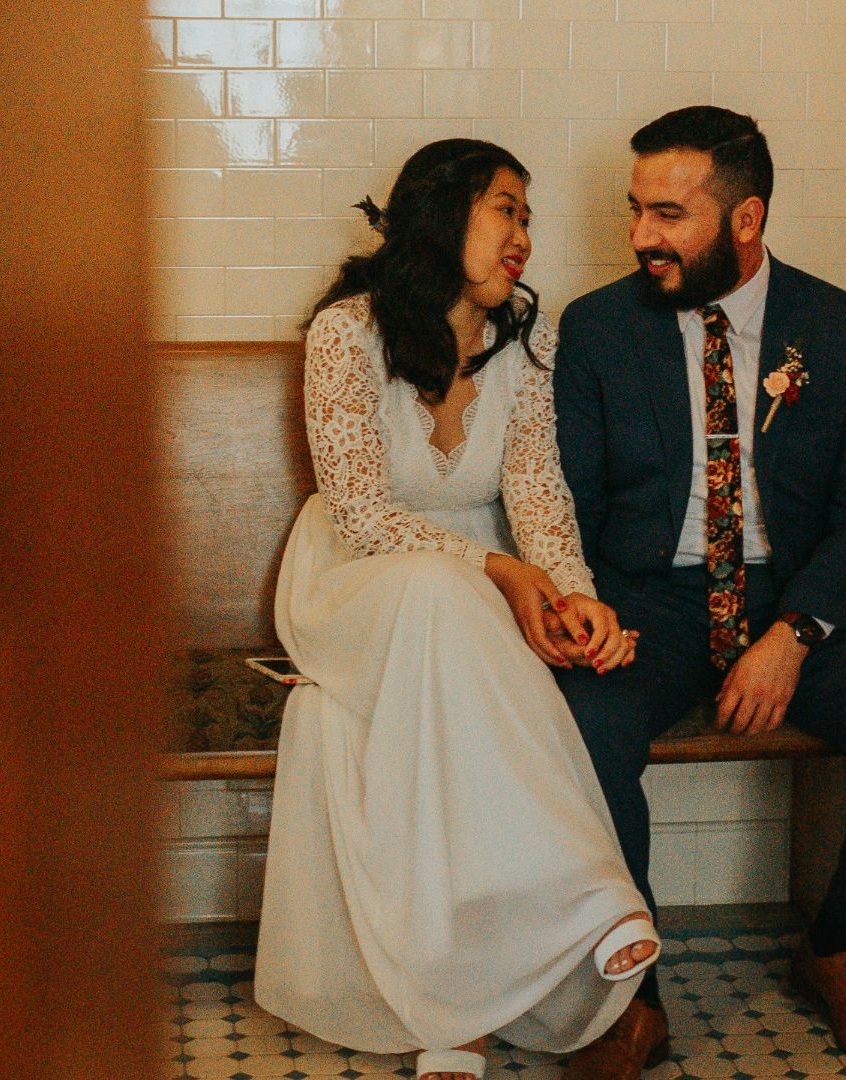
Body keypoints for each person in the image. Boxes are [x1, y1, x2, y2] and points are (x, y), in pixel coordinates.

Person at [551, 107, 846, 1080]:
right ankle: (632, 999)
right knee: (581, 729)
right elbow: (566, 500)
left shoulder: (842, 332)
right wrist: (586, 605)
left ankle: (838, 952)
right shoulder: (598, 330)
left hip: (802, 595)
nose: (640, 237)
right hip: (646, 601)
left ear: (746, 220)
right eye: (633, 210)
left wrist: (792, 633)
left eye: (669, 213)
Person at [254, 139, 663, 1080]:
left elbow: (540, 500)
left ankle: (456, 1017)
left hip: (470, 602)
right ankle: (588, 897)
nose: (525, 234)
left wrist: (574, 601)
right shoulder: (345, 334)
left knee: (447, 693)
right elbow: (358, 507)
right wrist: (505, 577)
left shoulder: (529, 340)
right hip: (356, 583)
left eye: (528, 215)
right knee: (442, 590)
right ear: (444, 215)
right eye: (505, 209)